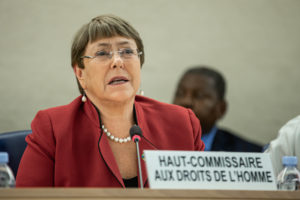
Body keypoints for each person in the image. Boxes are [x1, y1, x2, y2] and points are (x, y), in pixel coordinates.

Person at [16, 15, 205, 188]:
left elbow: (207, 194)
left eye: (127, 51)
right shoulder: (53, 129)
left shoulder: (182, 123)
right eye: (102, 53)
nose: (117, 61)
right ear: (80, 73)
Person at [173, 66, 262, 152]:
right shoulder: (159, 143)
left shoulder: (251, 154)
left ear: (221, 109)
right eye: (180, 94)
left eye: (199, 96)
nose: (186, 102)